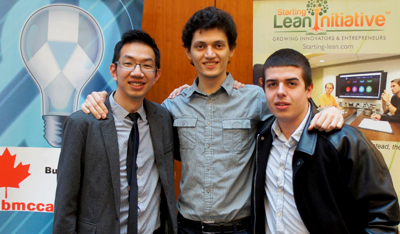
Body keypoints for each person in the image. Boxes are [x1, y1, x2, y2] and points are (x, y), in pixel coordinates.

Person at [80, 7, 344, 234]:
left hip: (240, 227)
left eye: (218, 45)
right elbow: (132, 113)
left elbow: (294, 111)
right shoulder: (172, 106)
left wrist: (326, 111)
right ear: (188, 52)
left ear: (231, 51)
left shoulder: (254, 99)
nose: (209, 54)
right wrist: (101, 98)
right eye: (200, 46)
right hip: (186, 227)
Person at [252, 48, 400, 233]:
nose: (280, 92)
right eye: (272, 84)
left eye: (291, 83)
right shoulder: (260, 137)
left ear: (309, 89)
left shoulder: (346, 141)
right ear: (263, 88)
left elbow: (382, 219)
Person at [53, 30, 177, 234]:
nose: (137, 72)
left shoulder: (162, 118)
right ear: (113, 70)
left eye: (147, 65)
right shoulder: (82, 123)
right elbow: (65, 202)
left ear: (157, 75)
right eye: (128, 63)